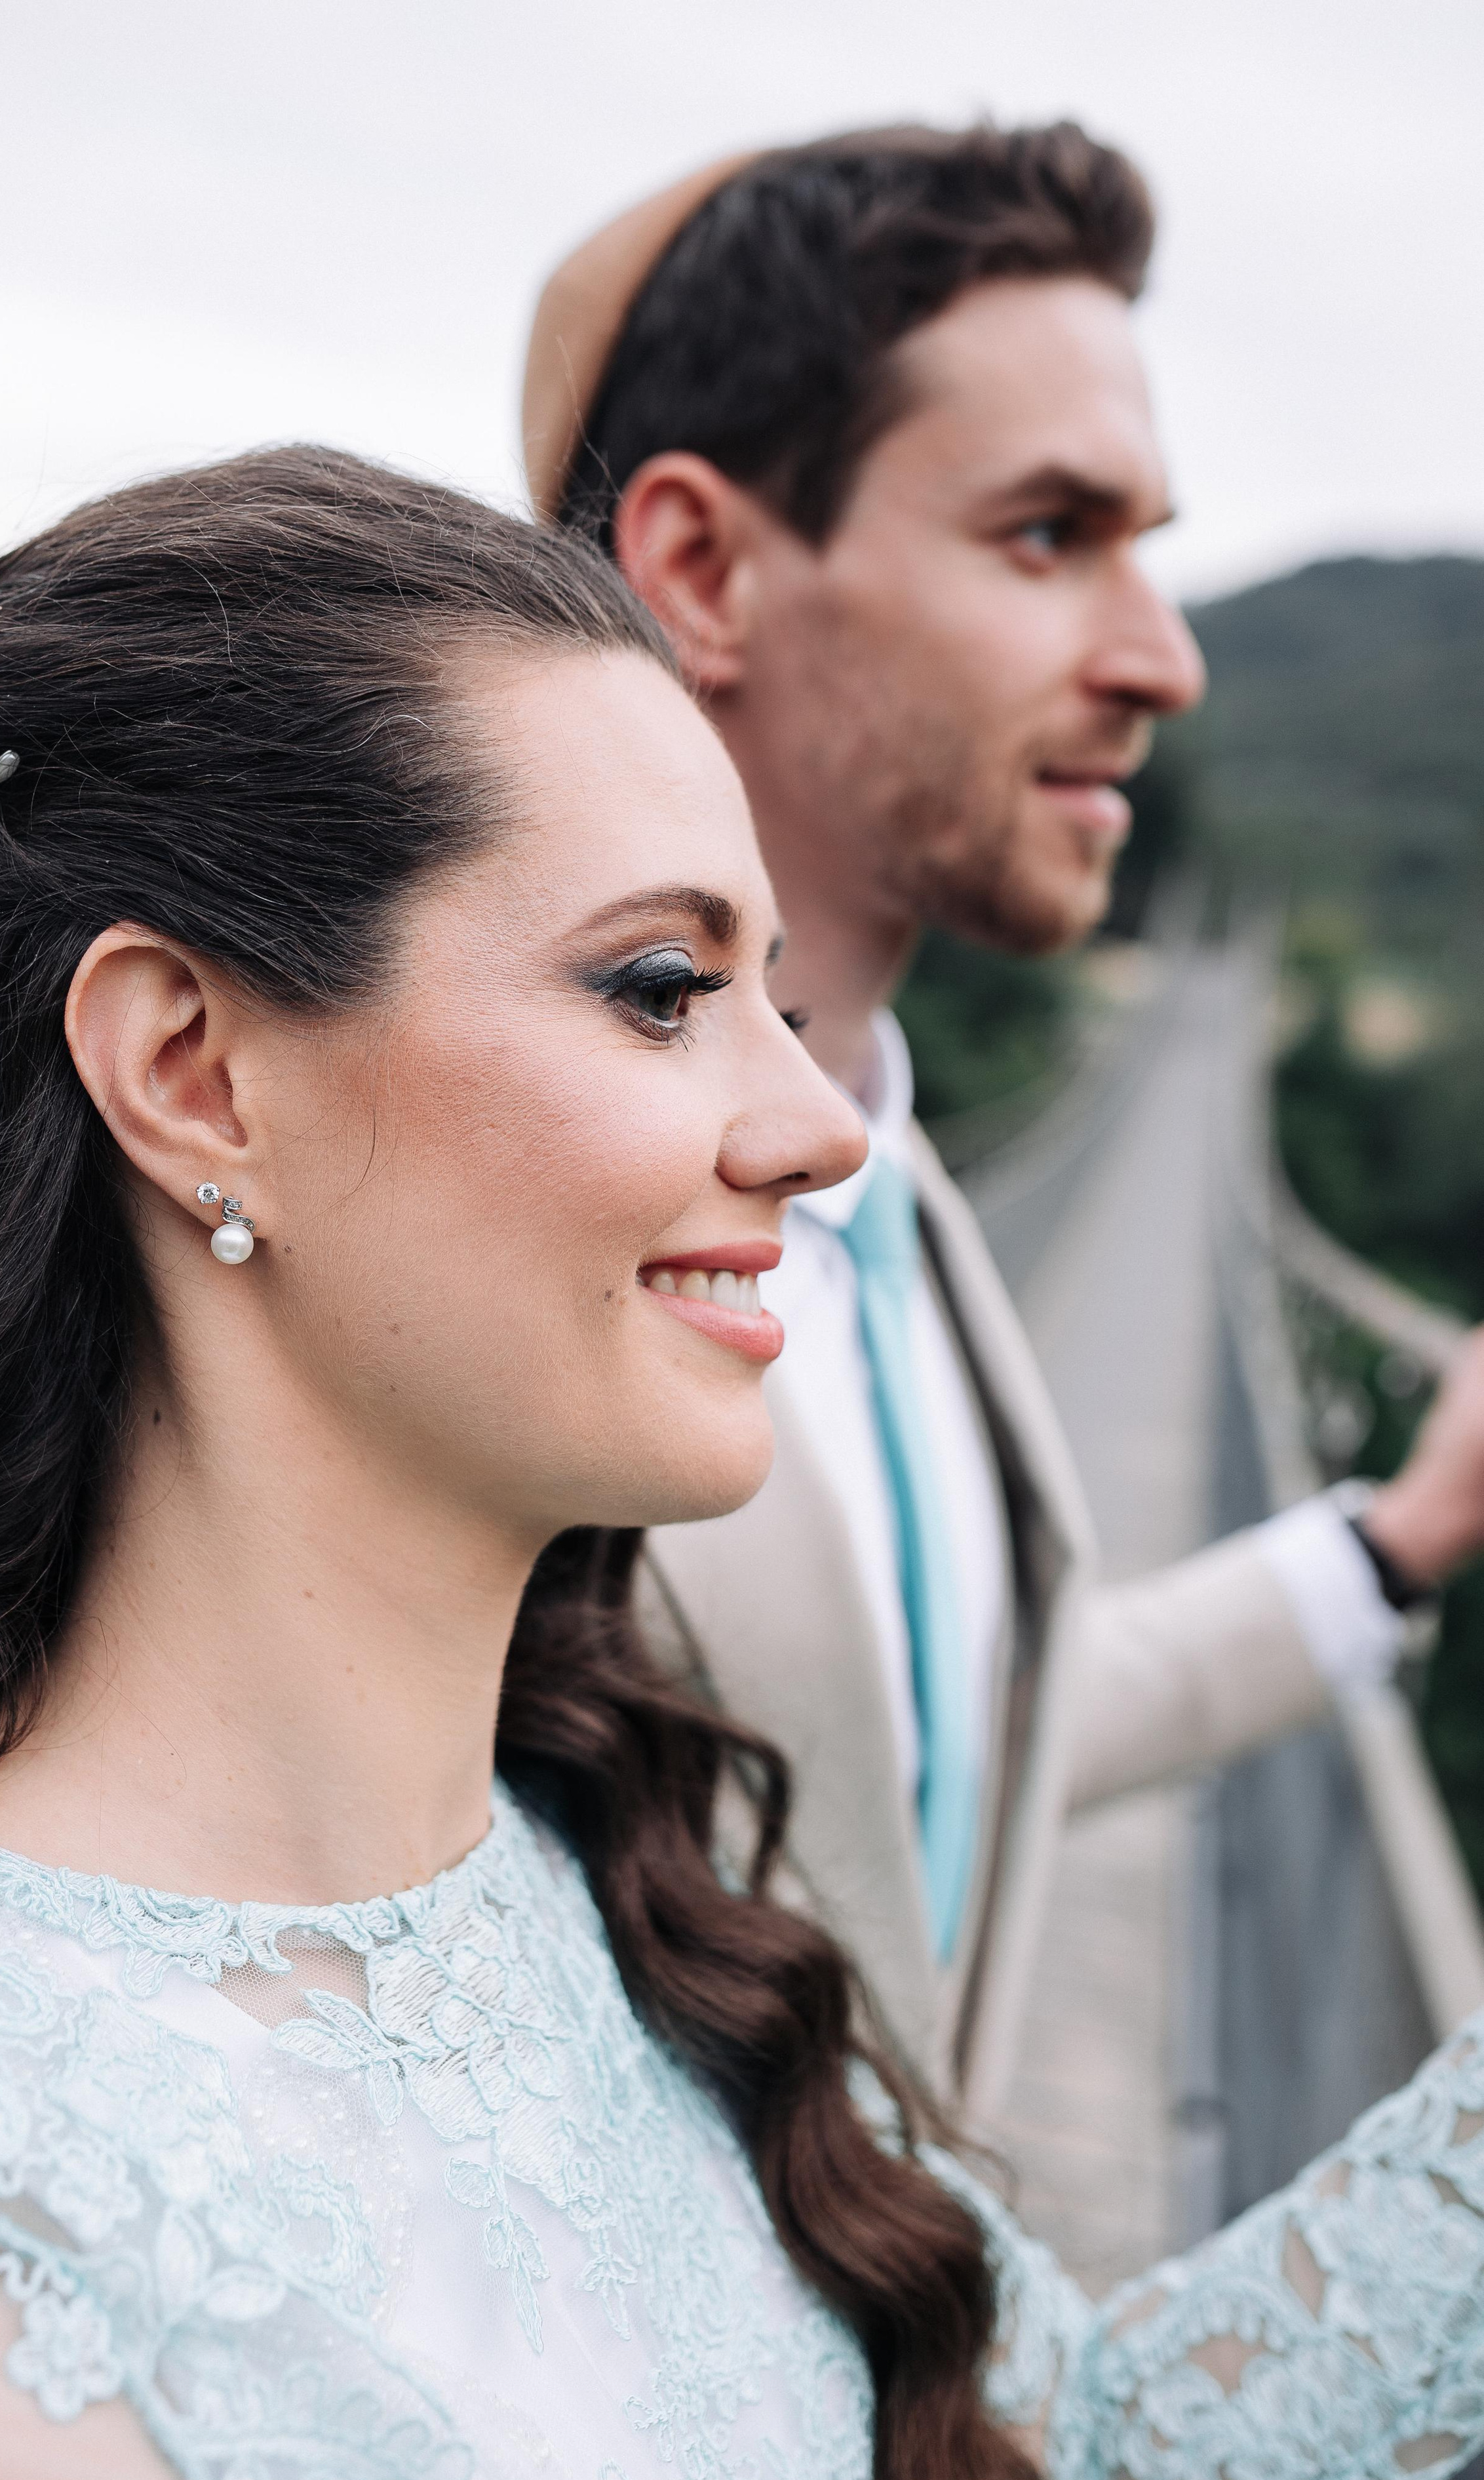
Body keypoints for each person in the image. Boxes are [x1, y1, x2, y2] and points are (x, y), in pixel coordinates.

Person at [0, 445, 1484, 2480]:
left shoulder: (621, 1875)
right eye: (665, 991)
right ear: (191, 1071)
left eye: (774, 1001)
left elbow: (1099, 2463)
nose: (818, 1128)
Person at [520, 126, 1484, 2111]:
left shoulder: (891, 1182)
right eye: (1051, 534)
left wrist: (1398, 1546)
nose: (1165, 657)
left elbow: (919, 1736)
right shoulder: (476, 1252)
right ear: (701, 568)